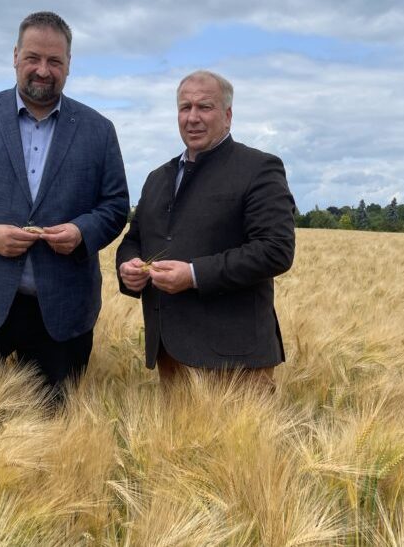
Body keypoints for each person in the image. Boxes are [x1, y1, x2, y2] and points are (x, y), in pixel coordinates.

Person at [0, 11, 129, 400]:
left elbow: (115, 206)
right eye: (33, 58)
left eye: (55, 61)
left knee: (53, 439)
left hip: (61, 316)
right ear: (15, 56)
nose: (43, 70)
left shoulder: (99, 130)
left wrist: (82, 232)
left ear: (69, 65)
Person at [116, 70, 296, 387]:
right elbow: (134, 240)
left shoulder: (258, 168)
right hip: (169, 354)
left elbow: (275, 250)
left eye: (205, 107)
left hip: (235, 361)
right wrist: (128, 268)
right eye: (185, 108)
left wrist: (194, 274)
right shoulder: (158, 177)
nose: (193, 117)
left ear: (227, 116)